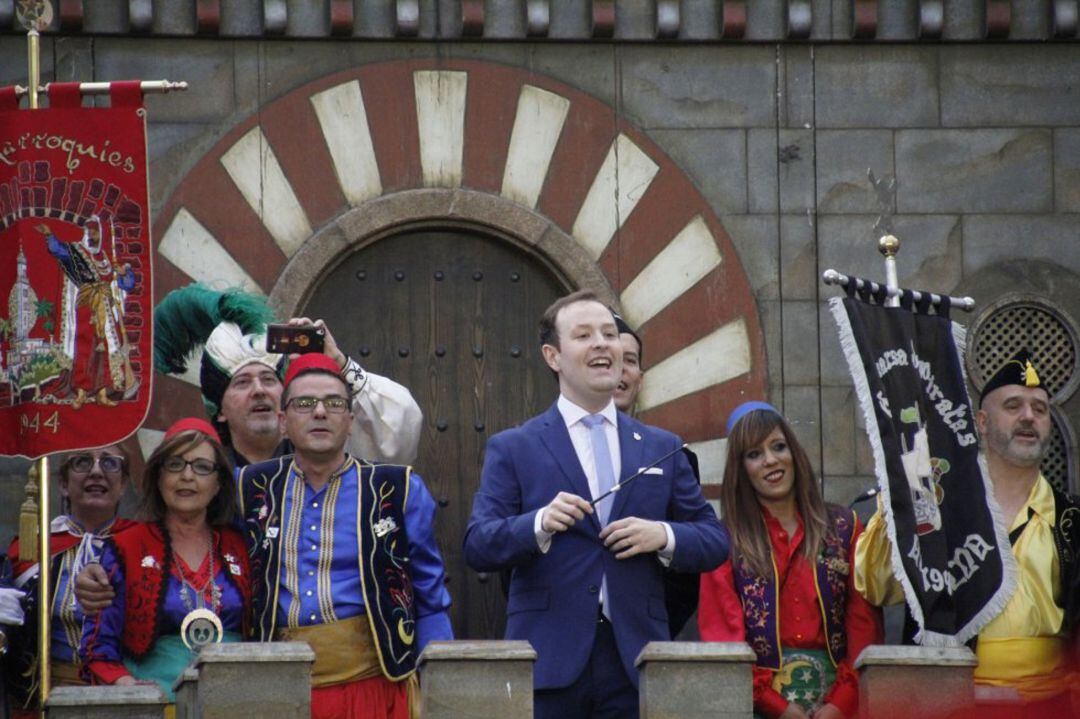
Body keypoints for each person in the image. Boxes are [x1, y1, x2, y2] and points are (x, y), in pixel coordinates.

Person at [463, 290, 728, 719]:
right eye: (584, 335)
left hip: (637, 662)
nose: (603, 344)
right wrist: (539, 523)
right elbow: (477, 544)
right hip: (548, 662)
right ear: (553, 356)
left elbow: (714, 541)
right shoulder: (515, 447)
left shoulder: (662, 447)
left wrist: (662, 535)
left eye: (609, 333)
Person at [854, 349, 1080, 716]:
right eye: (1013, 405)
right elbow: (876, 584)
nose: (1028, 417)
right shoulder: (941, 510)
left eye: (1039, 409)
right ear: (982, 422)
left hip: (1051, 706)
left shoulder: (1072, 519)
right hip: (951, 706)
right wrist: (900, 492)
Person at [238, 352, 452, 719]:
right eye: (304, 403)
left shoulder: (397, 488)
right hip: (275, 689)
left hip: (376, 685)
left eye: (334, 403)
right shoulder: (251, 486)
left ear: (350, 421)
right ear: (283, 422)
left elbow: (429, 596)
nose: (320, 412)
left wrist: (440, 685)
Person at [699, 402, 882, 719]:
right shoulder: (724, 540)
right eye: (754, 454)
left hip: (841, 703)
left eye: (778, 446)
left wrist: (842, 702)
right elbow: (723, 642)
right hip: (756, 707)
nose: (770, 460)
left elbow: (864, 626)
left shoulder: (844, 527)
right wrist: (776, 707)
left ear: (794, 453)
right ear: (740, 469)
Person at [153, 283, 422, 468]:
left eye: (269, 380)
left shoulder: (323, 459)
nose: (259, 390)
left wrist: (340, 363)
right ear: (219, 408)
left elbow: (402, 429)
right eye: (242, 382)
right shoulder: (208, 478)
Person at [79, 419, 250, 701]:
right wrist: (126, 686)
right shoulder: (125, 547)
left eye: (202, 467)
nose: (187, 476)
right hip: (154, 704)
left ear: (219, 483)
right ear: (159, 478)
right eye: (174, 464)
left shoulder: (240, 546)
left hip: (234, 703)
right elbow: (98, 648)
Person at [4, 446, 136, 717]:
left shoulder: (142, 546)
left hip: (125, 691)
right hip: (48, 693)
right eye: (82, 462)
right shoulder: (34, 547)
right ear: (63, 484)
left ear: (123, 485)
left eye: (110, 463)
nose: (96, 472)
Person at [38, 217, 138, 409]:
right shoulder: (77, 252)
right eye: (90, 231)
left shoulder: (107, 259)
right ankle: (81, 393)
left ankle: (102, 392)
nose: (93, 235)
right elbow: (58, 250)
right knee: (84, 349)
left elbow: (125, 285)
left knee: (104, 351)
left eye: (96, 231)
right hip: (86, 307)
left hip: (105, 311)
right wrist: (50, 235)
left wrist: (124, 273)